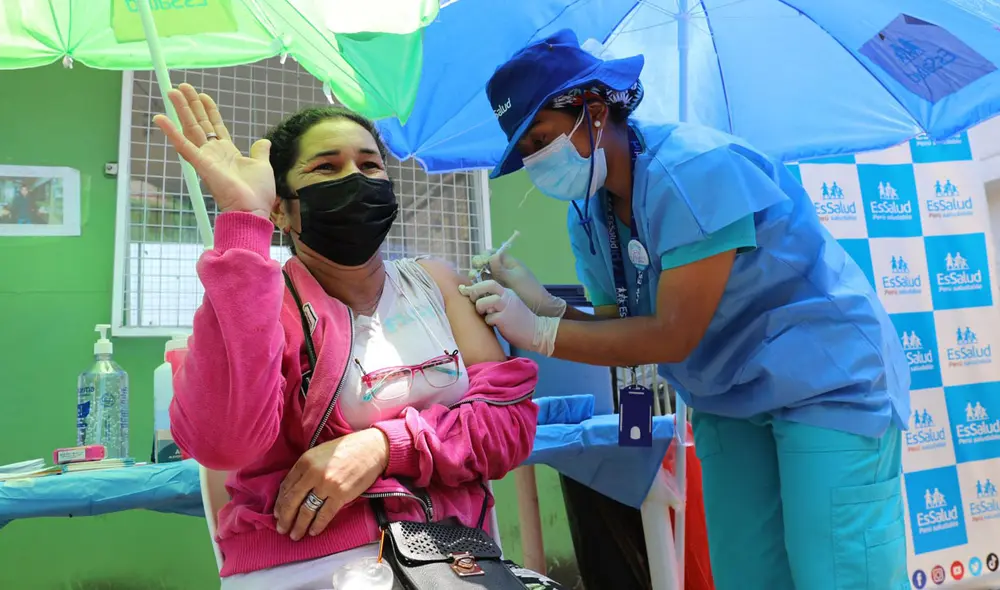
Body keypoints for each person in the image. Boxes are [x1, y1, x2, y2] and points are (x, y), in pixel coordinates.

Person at [463, 30, 911, 590]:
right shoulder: (588, 213)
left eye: (541, 138)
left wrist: (538, 331)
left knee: (839, 574)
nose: (535, 160)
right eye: (525, 151)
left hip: (826, 379)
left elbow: (671, 334)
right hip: (727, 395)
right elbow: (619, 331)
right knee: (749, 576)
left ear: (595, 110)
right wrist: (545, 305)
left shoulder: (695, 168)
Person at [155, 83, 565, 590]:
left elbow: (508, 423)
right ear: (282, 208)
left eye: (369, 165)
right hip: (305, 569)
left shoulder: (436, 284)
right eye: (326, 168)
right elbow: (224, 444)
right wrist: (244, 224)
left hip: (454, 559)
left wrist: (383, 447)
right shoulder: (261, 302)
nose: (354, 178)